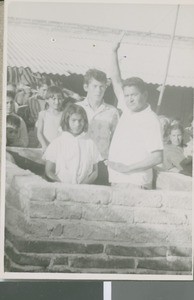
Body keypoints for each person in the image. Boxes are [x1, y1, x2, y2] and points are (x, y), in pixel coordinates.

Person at [107, 34, 163, 189]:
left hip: (136, 183)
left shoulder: (150, 120)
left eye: (134, 95)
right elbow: (116, 79)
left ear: (144, 95)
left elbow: (157, 157)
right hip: (118, 180)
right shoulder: (127, 108)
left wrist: (128, 169)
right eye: (127, 96)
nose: (129, 99)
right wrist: (113, 52)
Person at [78, 68, 119, 185]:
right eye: (95, 86)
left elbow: (116, 140)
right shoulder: (76, 109)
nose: (98, 90)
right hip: (79, 161)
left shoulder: (112, 112)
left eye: (102, 86)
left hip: (102, 164)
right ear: (86, 87)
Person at [44, 103, 101, 184]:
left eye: (80, 120)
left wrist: (83, 186)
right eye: (73, 120)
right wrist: (63, 185)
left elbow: (95, 172)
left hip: (84, 190)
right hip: (62, 189)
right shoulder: (57, 143)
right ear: (67, 120)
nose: (77, 124)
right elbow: (49, 171)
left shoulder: (90, 143)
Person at [37, 86, 64, 152]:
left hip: (60, 148)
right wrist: (44, 144)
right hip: (46, 147)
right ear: (47, 100)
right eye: (54, 99)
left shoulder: (64, 114)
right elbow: (39, 132)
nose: (57, 102)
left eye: (59, 99)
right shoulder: (43, 114)